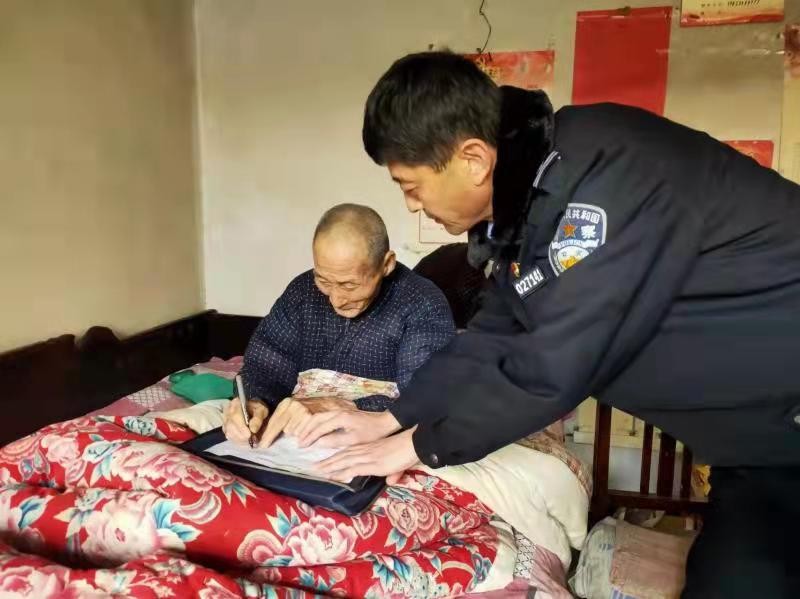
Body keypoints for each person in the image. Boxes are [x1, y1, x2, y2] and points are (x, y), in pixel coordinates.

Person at [299, 52, 800, 597]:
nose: (412, 206)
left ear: (472, 159)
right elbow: (493, 336)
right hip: (761, 448)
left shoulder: (608, 176)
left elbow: (554, 366)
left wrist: (418, 446)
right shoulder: (531, 213)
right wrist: (391, 418)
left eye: (411, 186)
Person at [222, 203, 455, 448]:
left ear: (386, 264)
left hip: (374, 441)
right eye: (323, 281)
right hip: (293, 441)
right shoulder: (302, 291)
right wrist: (255, 402)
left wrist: (337, 406)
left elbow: (428, 397)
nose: (335, 300)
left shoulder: (422, 302)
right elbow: (265, 365)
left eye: (349, 285)